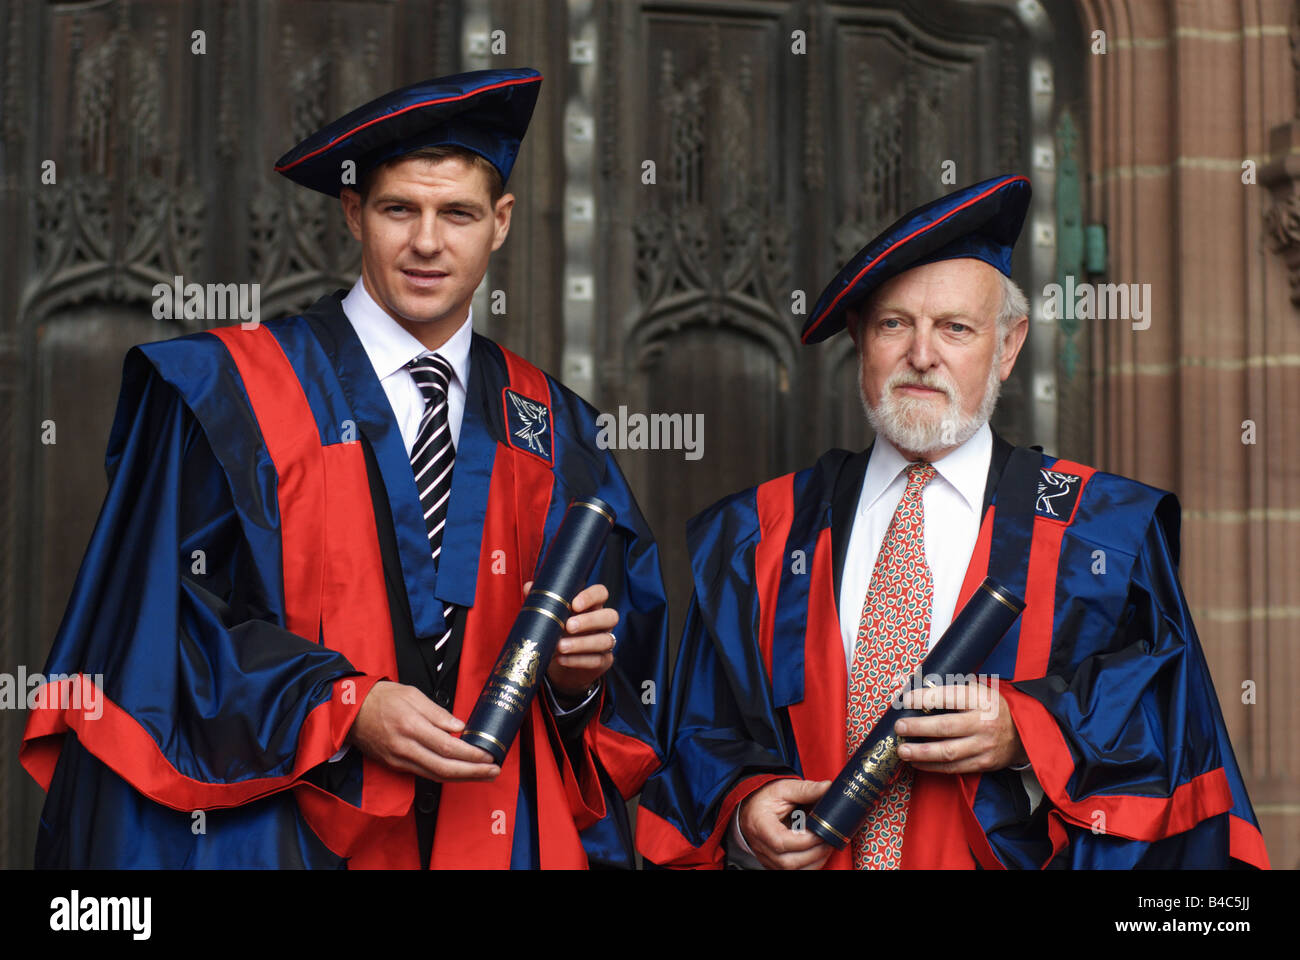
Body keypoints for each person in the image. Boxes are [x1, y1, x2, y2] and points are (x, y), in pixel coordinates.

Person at [22, 68, 669, 869]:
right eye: (401, 209)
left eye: (458, 213)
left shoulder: (555, 426)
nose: (428, 242)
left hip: (494, 834)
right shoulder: (231, 392)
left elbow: (636, 678)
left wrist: (578, 681)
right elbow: (150, 626)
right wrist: (339, 705)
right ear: (354, 211)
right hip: (281, 834)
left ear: (499, 224)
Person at [635, 174, 1269, 869]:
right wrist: (742, 808)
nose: (922, 355)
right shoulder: (758, 535)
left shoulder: (1102, 534)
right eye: (894, 323)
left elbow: (1175, 739)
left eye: (956, 328)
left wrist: (1030, 730)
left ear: (1007, 346)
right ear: (859, 338)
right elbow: (698, 736)